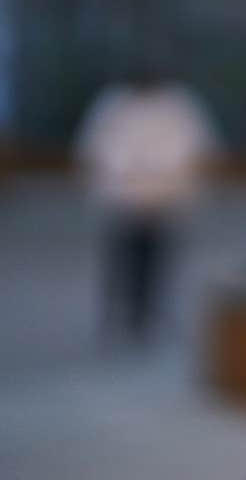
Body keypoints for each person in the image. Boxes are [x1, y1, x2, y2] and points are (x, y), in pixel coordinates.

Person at [74, 58, 221, 345]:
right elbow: (98, 150)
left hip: (166, 197)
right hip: (125, 198)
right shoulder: (114, 105)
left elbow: (197, 149)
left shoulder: (179, 106)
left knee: (158, 260)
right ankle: (120, 314)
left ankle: (152, 314)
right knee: (122, 260)